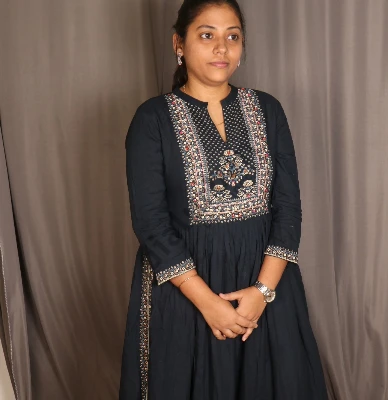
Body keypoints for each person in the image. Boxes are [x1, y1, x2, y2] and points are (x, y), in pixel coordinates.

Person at [119, 1, 328, 399]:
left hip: (265, 287)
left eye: (233, 36)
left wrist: (262, 293)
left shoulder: (267, 110)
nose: (222, 48)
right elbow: (150, 221)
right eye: (207, 35)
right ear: (179, 44)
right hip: (185, 291)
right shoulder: (153, 119)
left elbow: (288, 207)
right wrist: (208, 303)